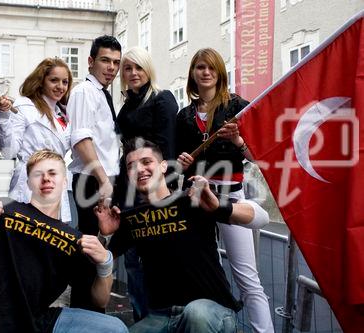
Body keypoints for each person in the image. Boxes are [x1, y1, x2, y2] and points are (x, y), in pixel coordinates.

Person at [0, 150, 128, 333]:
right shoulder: (4, 209)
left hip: (36, 322)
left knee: (115, 328)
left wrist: (106, 260)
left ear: (65, 181)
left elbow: (100, 300)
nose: (46, 178)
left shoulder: (74, 239)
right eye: (38, 174)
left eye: (53, 173)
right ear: (29, 182)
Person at [95, 138, 270, 333]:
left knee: (197, 314)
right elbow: (102, 260)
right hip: (161, 317)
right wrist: (105, 234)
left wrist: (219, 206)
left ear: (163, 166)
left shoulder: (193, 200)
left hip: (211, 313)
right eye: (131, 166)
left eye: (146, 162)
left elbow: (262, 218)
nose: (140, 170)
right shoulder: (134, 218)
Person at [176, 48, 274, 333]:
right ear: (193, 73)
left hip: (231, 197)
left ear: (220, 73)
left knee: (247, 277)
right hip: (196, 199)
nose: (206, 73)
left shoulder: (237, 107)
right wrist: (182, 163)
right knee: (208, 273)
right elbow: (178, 165)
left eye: (212, 68)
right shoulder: (184, 116)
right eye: (200, 67)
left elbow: (259, 157)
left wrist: (240, 141)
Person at [115, 46, 179, 321]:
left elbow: (168, 147)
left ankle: (163, 317)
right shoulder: (126, 105)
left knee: (160, 258)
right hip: (128, 189)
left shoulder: (162, 99)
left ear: (148, 69)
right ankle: (142, 318)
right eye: (127, 68)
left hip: (156, 189)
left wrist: (162, 191)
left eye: (138, 67)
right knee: (131, 259)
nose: (133, 73)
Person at [67, 35, 122, 310]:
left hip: (102, 179)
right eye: (105, 60)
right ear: (90, 61)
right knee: (89, 250)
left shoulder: (101, 92)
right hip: (92, 181)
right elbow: (81, 139)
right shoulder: (84, 91)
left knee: (99, 248)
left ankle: (92, 313)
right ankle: (84, 314)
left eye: (116, 62)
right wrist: (103, 181)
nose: (111, 67)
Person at [0, 57, 74, 223]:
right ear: (41, 81)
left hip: (55, 182)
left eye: (65, 82)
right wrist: (2, 117)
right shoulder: (24, 108)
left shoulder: (64, 114)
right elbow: (9, 151)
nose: (60, 87)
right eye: (54, 80)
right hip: (30, 182)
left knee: (52, 238)